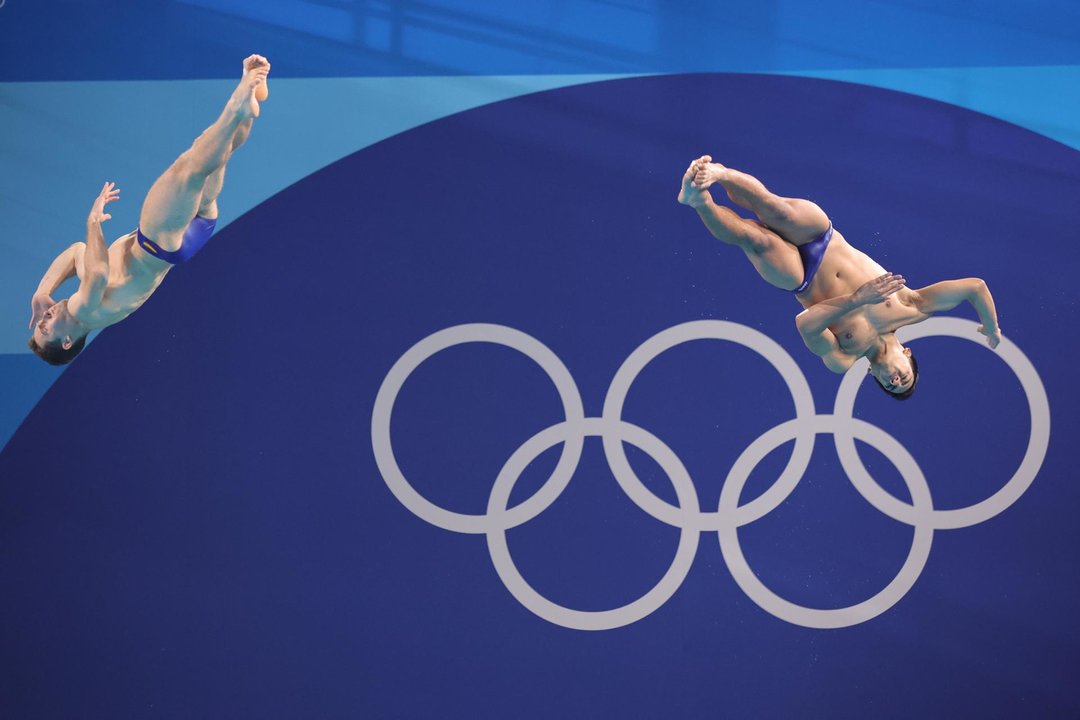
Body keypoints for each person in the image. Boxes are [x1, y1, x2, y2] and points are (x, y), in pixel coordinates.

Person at [677, 156, 1000, 399]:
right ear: (908, 355)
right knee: (777, 210)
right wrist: (991, 324)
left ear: (874, 376)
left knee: (755, 239)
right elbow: (975, 287)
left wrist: (857, 300)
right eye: (904, 378)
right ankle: (719, 173)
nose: (895, 381)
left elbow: (804, 324)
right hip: (824, 239)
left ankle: (698, 200)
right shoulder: (911, 306)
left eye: (889, 385)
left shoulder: (843, 358)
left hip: (801, 277)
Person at [27, 55, 271, 365]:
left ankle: (248, 97)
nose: (43, 319)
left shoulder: (91, 309)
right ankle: (240, 100)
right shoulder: (83, 311)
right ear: (66, 342)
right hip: (156, 241)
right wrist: (93, 222)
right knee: (189, 168)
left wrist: (41, 291)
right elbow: (98, 271)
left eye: (39, 322)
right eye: (45, 329)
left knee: (214, 154)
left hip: (185, 239)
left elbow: (77, 253)